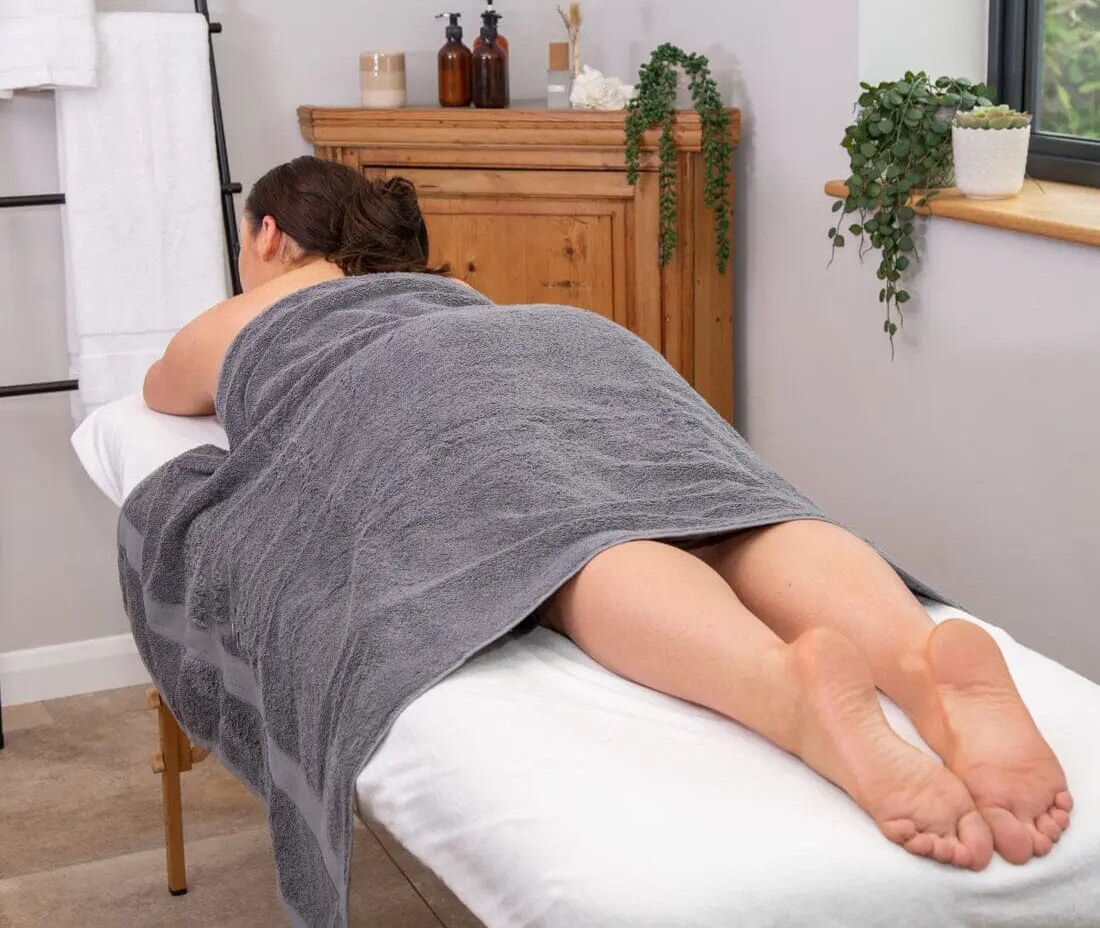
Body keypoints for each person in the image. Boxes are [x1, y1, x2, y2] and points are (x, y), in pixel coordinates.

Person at [144, 156, 1072, 872]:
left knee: (569, 540)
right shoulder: (456, 292)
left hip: (405, 383)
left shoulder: (264, 305)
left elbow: (164, 388)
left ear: (268, 235)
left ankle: (785, 690)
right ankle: (922, 667)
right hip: (567, 339)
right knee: (723, 508)